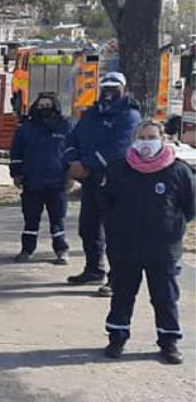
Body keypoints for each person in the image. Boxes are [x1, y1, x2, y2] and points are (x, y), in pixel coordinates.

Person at [101, 120, 195, 364]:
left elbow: (190, 206)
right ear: (134, 139)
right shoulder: (119, 168)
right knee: (122, 294)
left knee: (165, 297)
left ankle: (169, 342)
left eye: (151, 137)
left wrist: (173, 228)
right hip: (125, 247)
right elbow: (105, 202)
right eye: (141, 137)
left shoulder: (178, 170)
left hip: (162, 248)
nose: (146, 142)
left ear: (162, 139)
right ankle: (117, 338)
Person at [64, 72, 141, 294]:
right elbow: (72, 138)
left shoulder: (129, 115)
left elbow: (118, 148)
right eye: (105, 86)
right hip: (91, 182)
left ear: (123, 89)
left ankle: (116, 278)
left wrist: (86, 164)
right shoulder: (91, 114)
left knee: (115, 233)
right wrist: (73, 161)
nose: (108, 91)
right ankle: (94, 270)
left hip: (116, 182)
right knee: (88, 228)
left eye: (114, 87)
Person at [9, 93, 72, 264]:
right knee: (30, 219)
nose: (44, 109)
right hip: (32, 182)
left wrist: (71, 175)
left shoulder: (65, 126)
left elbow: (71, 151)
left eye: (48, 105)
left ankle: (61, 250)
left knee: (57, 220)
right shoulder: (25, 128)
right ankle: (27, 250)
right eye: (41, 105)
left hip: (57, 183)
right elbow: (16, 152)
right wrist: (16, 173)